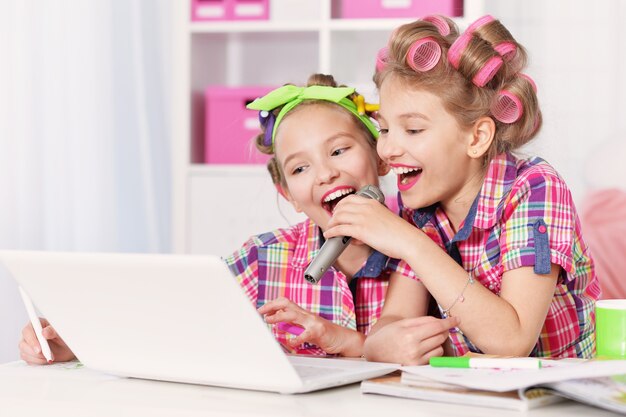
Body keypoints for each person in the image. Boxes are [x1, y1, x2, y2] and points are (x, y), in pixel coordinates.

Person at [18, 74, 458, 364]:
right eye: (300, 168)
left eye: (339, 151)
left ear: (381, 160)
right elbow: (173, 321)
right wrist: (74, 344)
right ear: (287, 193)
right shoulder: (263, 259)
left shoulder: (425, 242)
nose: (325, 173)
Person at [325, 15, 601, 363]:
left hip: (555, 397)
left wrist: (409, 242)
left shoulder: (534, 188)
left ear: (477, 137)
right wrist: (381, 342)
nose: (387, 149)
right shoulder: (421, 208)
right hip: (471, 394)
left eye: (412, 130)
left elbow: (512, 341)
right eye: (384, 129)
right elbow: (395, 319)